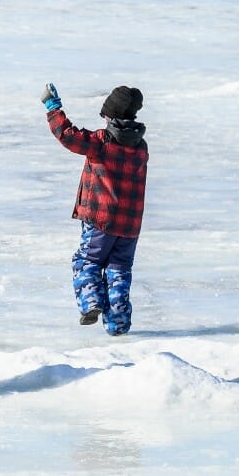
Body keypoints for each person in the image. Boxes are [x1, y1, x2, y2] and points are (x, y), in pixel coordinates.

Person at [40, 83, 148, 336]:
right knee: (119, 269)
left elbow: (67, 135)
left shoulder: (101, 142)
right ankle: (118, 324)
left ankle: (91, 304)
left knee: (87, 262)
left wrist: (52, 106)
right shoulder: (140, 147)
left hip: (101, 220)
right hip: (130, 226)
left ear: (110, 116)